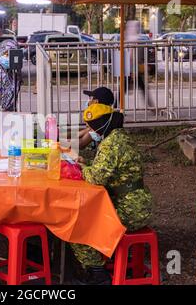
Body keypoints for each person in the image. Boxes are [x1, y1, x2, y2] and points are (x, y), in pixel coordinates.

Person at [70, 93, 153, 285]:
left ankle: (97, 273)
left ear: (101, 126)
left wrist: (83, 168)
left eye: (93, 127)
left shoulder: (110, 145)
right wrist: (88, 162)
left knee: (78, 226)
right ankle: (105, 262)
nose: (91, 131)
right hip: (139, 204)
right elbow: (110, 169)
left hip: (129, 210)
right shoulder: (121, 137)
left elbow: (96, 178)